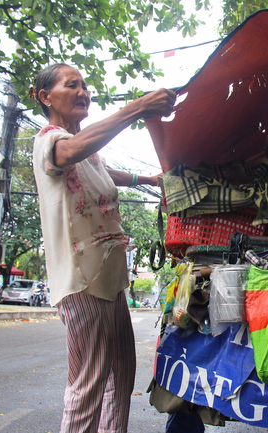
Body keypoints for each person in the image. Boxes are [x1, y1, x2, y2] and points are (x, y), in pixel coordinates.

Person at [30, 63, 176, 433]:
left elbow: (102, 169)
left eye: (85, 85)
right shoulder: (51, 139)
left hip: (108, 278)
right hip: (81, 279)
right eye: (71, 85)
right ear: (46, 97)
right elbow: (72, 151)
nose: (83, 92)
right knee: (89, 384)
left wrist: (146, 178)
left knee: (120, 375)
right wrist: (137, 108)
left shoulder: (87, 151)